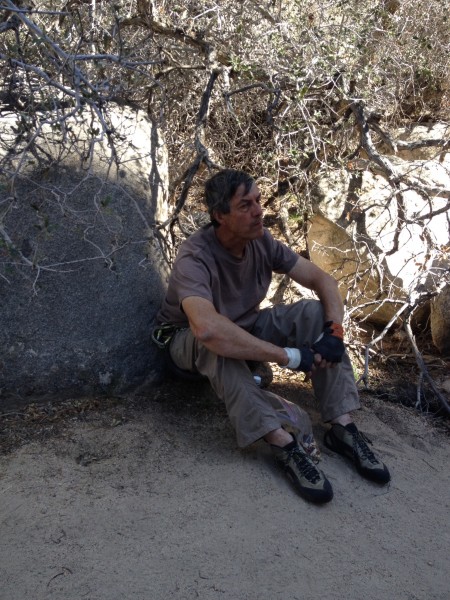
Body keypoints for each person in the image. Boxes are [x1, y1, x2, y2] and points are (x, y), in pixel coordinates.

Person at [156, 169, 390, 504]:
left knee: (311, 311)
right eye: (245, 205)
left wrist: (334, 333)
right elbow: (207, 328)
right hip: (186, 343)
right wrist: (289, 357)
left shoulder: (260, 240)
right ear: (220, 215)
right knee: (217, 344)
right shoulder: (195, 257)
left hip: (245, 327)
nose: (258, 211)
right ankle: (281, 441)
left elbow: (324, 281)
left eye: (258, 201)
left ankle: (341, 425)